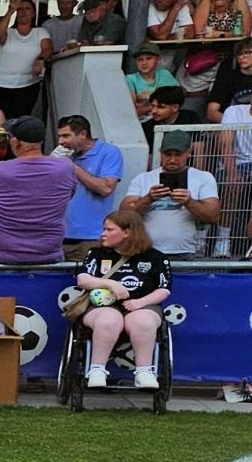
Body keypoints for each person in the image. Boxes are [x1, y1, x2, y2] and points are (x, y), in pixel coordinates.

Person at [74, 210, 171, 390]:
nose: (103, 234)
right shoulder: (96, 254)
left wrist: (139, 303)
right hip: (103, 306)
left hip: (143, 305)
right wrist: (110, 284)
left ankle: (144, 371)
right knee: (109, 319)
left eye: (109, 230)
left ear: (127, 233)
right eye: (104, 229)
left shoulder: (155, 257)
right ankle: (96, 369)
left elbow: (163, 289)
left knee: (142, 321)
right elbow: (83, 280)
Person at [0, 116, 75, 265]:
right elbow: (69, 195)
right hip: (48, 252)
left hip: (2, 254)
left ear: (15, 141)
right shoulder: (65, 168)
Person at [121, 131, 220, 259]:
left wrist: (189, 202)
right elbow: (123, 216)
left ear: (189, 153)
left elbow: (213, 216)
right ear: (160, 153)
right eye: (168, 154)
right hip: (146, 250)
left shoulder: (203, 178)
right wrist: (148, 199)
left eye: (178, 155)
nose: (172, 159)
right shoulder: (143, 179)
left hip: (187, 252)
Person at [56, 115, 123, 262]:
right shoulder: (66, 156)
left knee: (87, 282)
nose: (61, 142)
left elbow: (106, 188)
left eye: (66, 136)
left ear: (83, 135)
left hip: (90, 238)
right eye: (60, 136)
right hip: (58, 236)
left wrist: (72, 167)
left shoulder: (109, 152)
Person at [0, 0, 52, 120]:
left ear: (33, 13)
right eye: (20, 9)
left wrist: (41, 60)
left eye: (27, 9)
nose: (23, 11)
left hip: (27, 85)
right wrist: (10, 11)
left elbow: (47, 48)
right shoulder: (9, 32)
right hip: (0, 84)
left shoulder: (40, 32)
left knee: (17, 123)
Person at [127, 43, 179, 117]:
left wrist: (146, 102)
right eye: (140, 59)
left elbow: (178, 96)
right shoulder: (130, 79)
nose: (144, 63)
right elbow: (131, 110)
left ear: (158, 59)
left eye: (149, 58)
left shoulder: (164, 74)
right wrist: (162, 101)